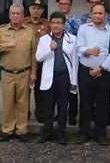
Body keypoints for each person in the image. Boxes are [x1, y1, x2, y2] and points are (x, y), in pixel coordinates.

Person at [0, 3, 37, 142]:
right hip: (7, 73)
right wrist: (6, 45)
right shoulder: (1, 31)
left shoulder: (30, 31)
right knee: (8, 103)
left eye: (18, 13)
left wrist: (33, 72)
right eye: (13, 13)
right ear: (9, 15)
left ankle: (22, 130)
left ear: (23, 16)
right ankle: (7, 130)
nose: (16, 16)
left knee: (23, 103)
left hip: (24, 72)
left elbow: (33, 53)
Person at [76, 3, 110, 146]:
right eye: (95, 13)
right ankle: (84, 133)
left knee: (102, 104)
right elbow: (79, 47)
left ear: (105, 15)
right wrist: (89, 51)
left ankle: (101, 134)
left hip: (103, 72)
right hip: (85, 70)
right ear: (91, 14)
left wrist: (101, 68)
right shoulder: (83, 29)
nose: (97, 16)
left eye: (100, 13)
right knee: (85, 103)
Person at [36, 11, 78, 145]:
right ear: (50, 24)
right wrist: (50, 48)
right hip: (50, 77)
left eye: (59, 23)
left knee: (62, 107)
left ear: (64, 25)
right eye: (53, 22)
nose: (55, 25)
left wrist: (74, 81)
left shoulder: (72, 39)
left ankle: (61, 133)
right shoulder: (44, 39)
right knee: (48, 107)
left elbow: (75, 61)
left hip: (64, 77)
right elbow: (38, 57)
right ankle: (47, 132)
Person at [24, 0, 50, 123]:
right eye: (33, 8)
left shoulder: (47, 24)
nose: (36, 11)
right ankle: (25, 113)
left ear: (43, 11)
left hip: (42, 61)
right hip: (25, 59)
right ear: (29, 9)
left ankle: (40, 113)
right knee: (25, 89)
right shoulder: (23, 22)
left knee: (40, 89)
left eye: (39, 8)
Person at [58, 0, 81, 125]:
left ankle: (72, 115)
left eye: (66, 4)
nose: (63, 6)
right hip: (57, 58)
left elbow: (80, 33)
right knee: (59, 89)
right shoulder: (54, 19)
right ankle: (60, 113)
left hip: (72, 59)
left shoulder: (75, 20)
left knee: (72, 87)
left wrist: (68, 21)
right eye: (61, 4)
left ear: (70, 6)